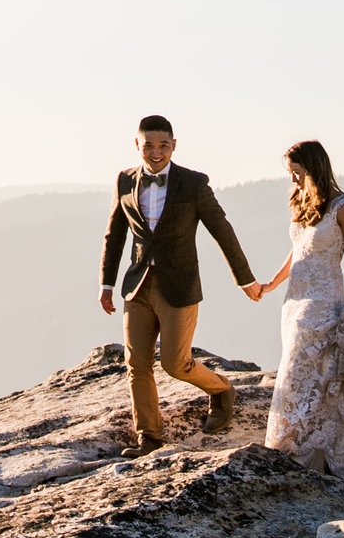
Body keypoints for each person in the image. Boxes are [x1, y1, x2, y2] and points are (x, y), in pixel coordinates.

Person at [98, 115, 256, 457]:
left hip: (179, 285)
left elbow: (222, 230)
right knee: (136, 364)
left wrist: (245, 279)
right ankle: (150, 438)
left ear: (174, 145)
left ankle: (222, 389)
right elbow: (115, 234)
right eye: (149, 145)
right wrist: (106, 283)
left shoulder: (193, 183)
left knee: (176, 363)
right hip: (138, 285)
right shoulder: (124, 180)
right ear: (136, 145)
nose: (156, 153)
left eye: (163, 146)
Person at [244, 139, 344, 481]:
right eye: (290, 173)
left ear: (314, 168)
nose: (293, 180)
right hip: (294, 300)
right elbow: (297, 250)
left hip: (322, 301)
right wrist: (272, 284)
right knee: (300, 372)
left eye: (297, 172)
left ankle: (303, 447)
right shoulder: (302, 202)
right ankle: (300, 444)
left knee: (301, 369)